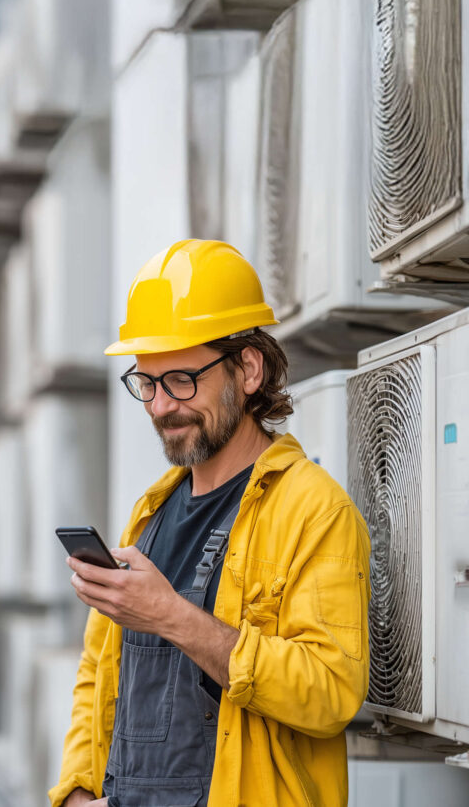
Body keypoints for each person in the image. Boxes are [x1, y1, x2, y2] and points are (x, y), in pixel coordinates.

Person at [50, 240, 372, 807]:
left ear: (248, 369)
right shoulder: (150, 513)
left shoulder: (314, 510)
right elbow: (98, 673)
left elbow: (330, 693)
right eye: (147, 383)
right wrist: (77, 788)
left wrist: (174, 617)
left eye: (180, 379)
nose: (159, 406)